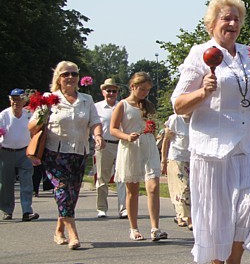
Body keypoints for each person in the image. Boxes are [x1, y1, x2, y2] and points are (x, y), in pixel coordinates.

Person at [172, 0, 250, 264]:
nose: (232, 23)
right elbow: (178, 104)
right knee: (216, 213)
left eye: (236, 18)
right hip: (212, 146)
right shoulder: (200, 54)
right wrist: (203, 92)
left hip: (247, 143)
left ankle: (235, 262)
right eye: (226, 18)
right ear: (212, 24)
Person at [28, 62, 104, 249]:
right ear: (58, 79)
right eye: (65, 74)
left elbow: (95, 121)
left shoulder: (86, 99)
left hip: (78, 153)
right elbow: (32, 127)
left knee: (72, 193)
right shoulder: (49, 99)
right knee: (62, 191)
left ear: (79, 78)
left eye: (74, 74)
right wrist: (42, 116)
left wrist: (98, 136)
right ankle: (73, 235)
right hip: (55, 153)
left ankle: (59, 230)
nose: (70, 77)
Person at [110, 72, 167, 242]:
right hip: (130, 147)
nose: (144, 93)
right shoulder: (123, 105)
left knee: (153, 186)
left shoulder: (148, 106)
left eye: (147, 90)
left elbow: (151, 126)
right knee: (132, 190)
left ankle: (155, 228)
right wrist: (127, 136)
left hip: (148, 145)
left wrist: (153, 131)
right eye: (142, 89)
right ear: (133, 87)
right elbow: (113, 128)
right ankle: (133, 228)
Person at [0, 88, 39, 221]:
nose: (15, 102)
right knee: (6, 183)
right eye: (13, 99)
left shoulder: (29, 114)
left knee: (27, 181)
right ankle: (7, 210)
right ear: (10, 100)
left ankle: (27, 211)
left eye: (18, 99)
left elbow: (36, 130)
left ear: (24, 101)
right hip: (6, 152)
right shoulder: (3, 115)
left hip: (25, 152)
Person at [93, 78, 127, 219]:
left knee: (122, 177)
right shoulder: (97, 107)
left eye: (114, 91)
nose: (111, 93)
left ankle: (123, 208)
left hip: (121, 144)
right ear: (103, 92)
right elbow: (92, 125)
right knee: (102, 177)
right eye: (108, 90)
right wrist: (97, 137)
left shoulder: (122, 106)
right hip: (104, 144)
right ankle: (101, 208)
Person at [160, 113, 192, 230]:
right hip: (177, 157)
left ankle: (180, 214)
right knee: (182, 187)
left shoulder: (199, 117)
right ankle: (187, 218)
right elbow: (166, 140)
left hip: (193, 158)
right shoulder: (175, 119)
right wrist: (163, 160)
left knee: (191, 188)